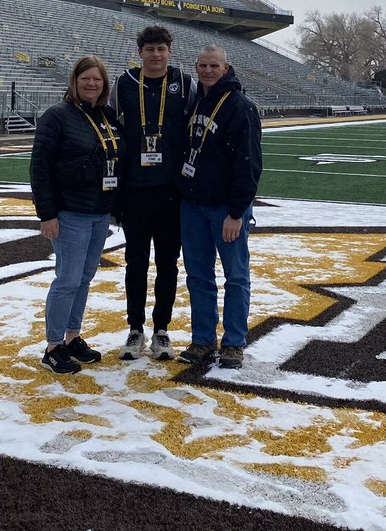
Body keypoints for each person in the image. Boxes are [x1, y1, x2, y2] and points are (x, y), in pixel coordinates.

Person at [30, 55, 125, 374]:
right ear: (74, 81)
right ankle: (53, 345)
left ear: (104, 85)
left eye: (97, 79)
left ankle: (72, 337)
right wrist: (47, 213)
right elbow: (39, 167)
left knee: (84, 278)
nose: (91, 83)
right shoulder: (57, 116)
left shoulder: (106, 114)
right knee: (67, 279)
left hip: (99, 211)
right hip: (70, 211)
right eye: (86, 78)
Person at [111, 25, 197, 361]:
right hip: (135, 191)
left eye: (161, 49)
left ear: (170, 51)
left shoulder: (184, 83)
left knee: (168, 265)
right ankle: (135, 329)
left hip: (171, 192)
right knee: (135, 264)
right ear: (140, 52)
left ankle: (162, 330)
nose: (156, 55)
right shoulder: (124, 83)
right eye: (150, 49)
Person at [177, 45, 263, 370]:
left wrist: (237, 212)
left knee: (236, 276)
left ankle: (234, 342)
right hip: (193, 205)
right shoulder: (196, 101)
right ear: (196, 67)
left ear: (227, 68)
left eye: (214, 65)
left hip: (225, 209)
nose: (208, 70)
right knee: (198, 276)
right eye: (203, 65)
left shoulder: (240, 107)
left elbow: (249, 165)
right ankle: (203, 339)